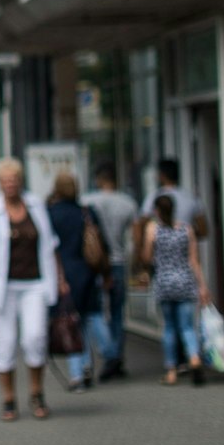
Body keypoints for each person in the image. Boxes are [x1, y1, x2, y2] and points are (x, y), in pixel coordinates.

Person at [0, 158, 67, 422]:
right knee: (4, 345)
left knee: (35, 338)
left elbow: (51, 245)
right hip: (3, 288)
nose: (10, 185)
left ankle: (37, 393)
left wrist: (61, 278)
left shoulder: (36, 206)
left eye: (14, 180)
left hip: (35, 285)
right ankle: (8, 399)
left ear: (20, 181)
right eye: (5, 181)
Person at [45, 173, 104, 390]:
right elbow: (100, 242)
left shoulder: (50, 214)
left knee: (70, 320)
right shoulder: (86, 213)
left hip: (61, 274)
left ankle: (77, 374)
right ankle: (102, 354)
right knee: (87, 319)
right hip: (86, 271)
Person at [145, 193, 210, 386]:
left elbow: (147, 257)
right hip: (185, 282)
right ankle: (194, 359)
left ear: (157, 210)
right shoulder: (186, 229)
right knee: (188, 327)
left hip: (164, 283)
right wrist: (203, 286)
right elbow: (194, 261)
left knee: (170, 328)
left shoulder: (153, 230)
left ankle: (171, 371)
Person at [84, 162, 138, 380]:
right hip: (117, 262)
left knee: (95, 312)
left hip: (94, 265)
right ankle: (116, 358)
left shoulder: (87, 201)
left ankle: (106, 354)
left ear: (99, 180)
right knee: (117, 312)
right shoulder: (128, 203)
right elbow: (135, 238)